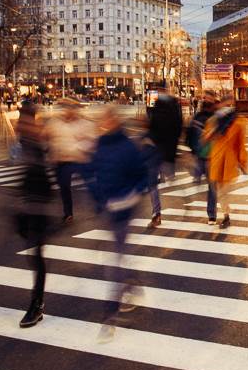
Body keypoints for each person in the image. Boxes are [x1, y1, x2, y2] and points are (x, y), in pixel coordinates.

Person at [86, 106, 150, 327]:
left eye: (107, 118)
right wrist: (98, 197)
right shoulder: (100, 145)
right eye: (103, 119)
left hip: (125, 206)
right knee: (118, 253)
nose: (104, 122)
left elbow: (143, 175)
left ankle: (112, 307)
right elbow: (92, 172)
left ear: (115, 120)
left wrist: (135, 193)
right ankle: (132, 284)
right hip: (109, 206)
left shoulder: (127, 146)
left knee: (115, 256)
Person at [15, 102, 53, 327]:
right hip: (27, 207)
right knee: (34, 256)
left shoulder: (38, 143)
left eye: (25, 120)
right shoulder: (25, 142)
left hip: (38, 208)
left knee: (36, 256)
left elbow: (43, 178)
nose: (22, 124)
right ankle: (36, 303)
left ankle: (37, 304)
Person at [46, 98, 95, 223]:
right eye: (65, 109)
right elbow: (47, 136)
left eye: (70, 109)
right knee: (64, 186)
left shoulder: (83, 123)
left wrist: (80, 147)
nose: (68, 111)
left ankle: (99, 202)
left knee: (90, 181)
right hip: (61, 160)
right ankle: (68, 213)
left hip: (77, 159)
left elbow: (91, 140)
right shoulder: (55, 122)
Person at [205, 93, 247, 228]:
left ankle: (226, 216)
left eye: (230, 104)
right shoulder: (214, 120)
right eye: (225, 104)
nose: (227, 107)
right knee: (221, 192)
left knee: (223, 192)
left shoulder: (239, 122)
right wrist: (211, 134)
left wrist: (243, 162)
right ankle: (226, 214)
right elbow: (205, 137)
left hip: (229, 162)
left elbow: (241, 144)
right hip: (217, 160)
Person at [145, 89, 183, 228]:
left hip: (155, 151)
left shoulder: (156, 108)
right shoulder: (175, 109)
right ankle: (183, 199)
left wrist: (148, 139)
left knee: (152, 184)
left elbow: (151, 127)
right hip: (168, 153)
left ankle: (156, 214)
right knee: (169, 178)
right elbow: (178, 131)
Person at [187, 96, 218, 224]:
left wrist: (192, 150)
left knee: (207, 181)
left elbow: (189, 135)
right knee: (212, 187)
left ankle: (197, 175)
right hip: (211, 156)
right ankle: (212, 215)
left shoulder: (197, 118)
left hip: (200, 155)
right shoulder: (215, 119)